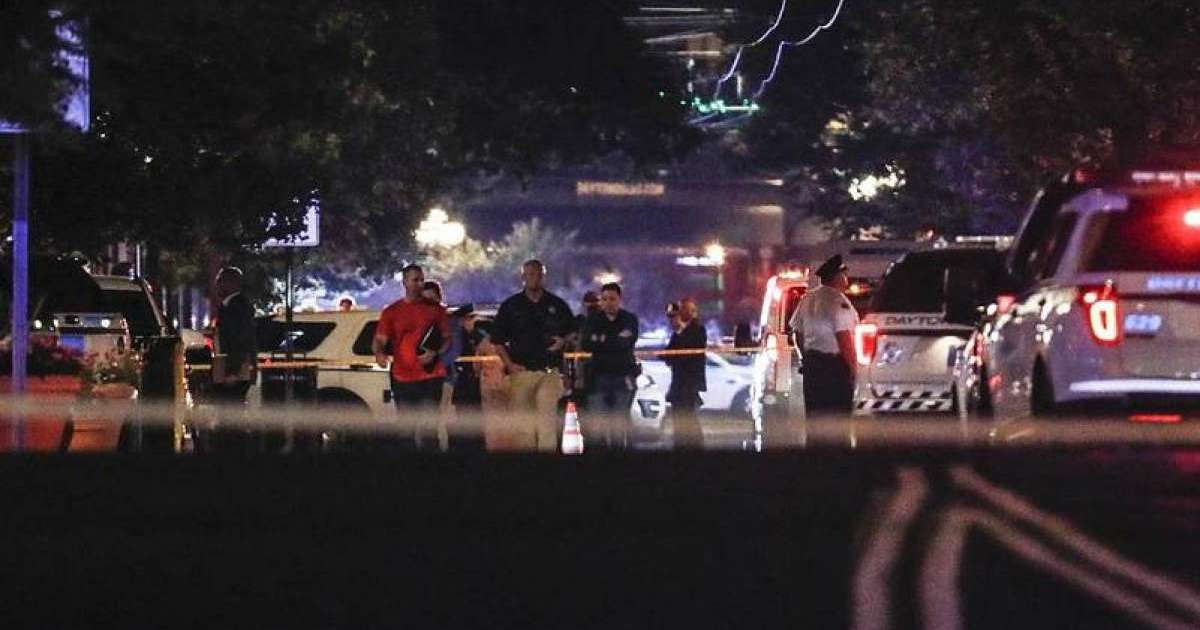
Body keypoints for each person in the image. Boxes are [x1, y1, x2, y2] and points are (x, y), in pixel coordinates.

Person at [491, 259, 575, 451]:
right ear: (523, 277)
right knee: (524, 427)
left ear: (544, 276)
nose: (534, 278)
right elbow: (497, 340)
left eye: (538, 274)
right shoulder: (511, 306)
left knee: (547, 424)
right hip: (522, 372)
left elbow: (572, 331)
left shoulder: (557, 304)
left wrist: (563, 341)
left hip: (549, 372)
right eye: (530, 274)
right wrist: (509, 365)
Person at [372, 264, 452, 449]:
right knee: (406, 430)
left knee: (429, 429)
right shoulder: (392, 311)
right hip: (403, 377)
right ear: (405, 282)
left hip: (431, 375)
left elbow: (447, 338)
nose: (419, 284)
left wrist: (436, 352)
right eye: (415, 280)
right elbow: (380, 339)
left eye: (422, 280)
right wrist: (379, 353)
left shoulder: (435, 310)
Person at [789, 254, 859, 415]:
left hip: (812, 367)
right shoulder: (838, 301)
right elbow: (844, 337)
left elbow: (797, 333)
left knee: (814, 416)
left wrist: (805, 358)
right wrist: (854, 370)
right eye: (844, 275)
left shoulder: (807, 298)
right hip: (834, 368)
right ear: (837, 277)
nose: (846, 279)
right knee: (837, 417)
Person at [580, 283, 639, 448]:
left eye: (612, 299)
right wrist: (615, 338)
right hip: (598, 378)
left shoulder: (629, 319)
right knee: (597, 428)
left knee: (618, 427)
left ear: (620, 299)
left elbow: (626, 342)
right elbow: (586, 343)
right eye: (604, 299)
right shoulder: (593, 319)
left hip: (623, 377)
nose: (608, 303)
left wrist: (601, 339)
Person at [207, 266, 259, 453]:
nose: (217, 285)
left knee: (230, 414)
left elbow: (240, 341)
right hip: (232, 369)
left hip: (234, 371)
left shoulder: (236, 307)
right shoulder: (231, 306)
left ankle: (233, 451)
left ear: (231, 283)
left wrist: (232, 371)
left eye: (220, 281)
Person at [665, 299, 706, 448]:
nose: (680, 312)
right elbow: (669, 354)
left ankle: (693, 446)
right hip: (678, 382)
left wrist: (680, 330)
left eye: (684, 309)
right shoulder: (677, 333)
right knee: (678, 416)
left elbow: (689, 353)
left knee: (688, 416)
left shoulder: (697, 330)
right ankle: (680, 444)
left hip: (690, 382)